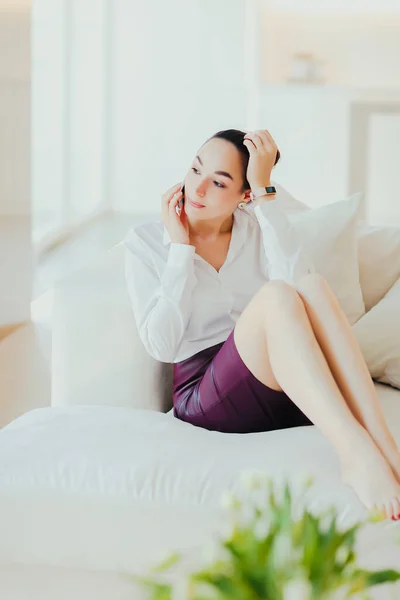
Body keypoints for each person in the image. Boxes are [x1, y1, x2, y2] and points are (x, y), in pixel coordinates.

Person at [124, 128, 400, 520]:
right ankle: (356, 455)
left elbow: (298, 284)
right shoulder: (148, 241)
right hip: (206, 396)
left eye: (219, 182)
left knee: (311, 286)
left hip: (284, 381)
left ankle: (387, 450)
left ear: (244, 195)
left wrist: (266, 195)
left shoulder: (254, 227)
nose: (197, 189)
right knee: (275, 296)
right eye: (195, 170)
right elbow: (162, 347)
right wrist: (181, 250)